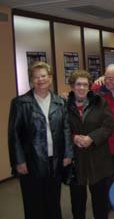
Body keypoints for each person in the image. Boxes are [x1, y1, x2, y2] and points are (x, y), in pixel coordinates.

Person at [8, 61, 73, 219]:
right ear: (31, 80)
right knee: (33, 202)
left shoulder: (60, 102)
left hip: (55, 160)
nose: (40, 79)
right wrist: (19, 161)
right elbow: (14, 134)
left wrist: (68, 154)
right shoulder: (20, 103)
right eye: (36, 77)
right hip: (31, 161)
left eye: (43, 76)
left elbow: (66, 129)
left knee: (53, 201)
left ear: (50, 78)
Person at [66, 70, 114, 219]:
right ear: (72, 86)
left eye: (85, 85)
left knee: (100, 199)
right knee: (77, 199)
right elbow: (59, 128)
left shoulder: (100, 101)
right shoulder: (63, 104)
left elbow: (108, 126)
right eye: (78, 84)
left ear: (90, 87)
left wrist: (91, 138)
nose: (81, 88)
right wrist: (73, 137)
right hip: (75, 158)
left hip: (98, 155)